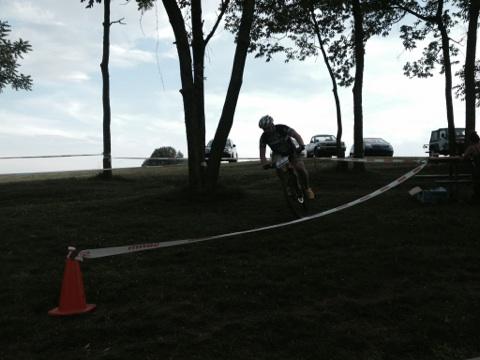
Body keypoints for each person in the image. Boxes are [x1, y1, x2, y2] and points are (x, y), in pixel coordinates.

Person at [258, 115, 315, 200]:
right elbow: (262, 153)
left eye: (268, 128)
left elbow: (296, 135)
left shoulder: (282, 128)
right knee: (278, 168)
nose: (267, 130)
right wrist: (264, 163)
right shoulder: (263, 137)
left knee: (300, 168)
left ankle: (307, 188)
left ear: (272, 124)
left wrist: (301, 145)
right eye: (264, 129)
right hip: (278, 154)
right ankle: (288, 186)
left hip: (291, 150)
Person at [462, 131, 480, 203]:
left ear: (471, 140)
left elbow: (463, 158)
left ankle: (476, 198)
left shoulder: (471, 148)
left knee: (476, 183)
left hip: (477, 169)